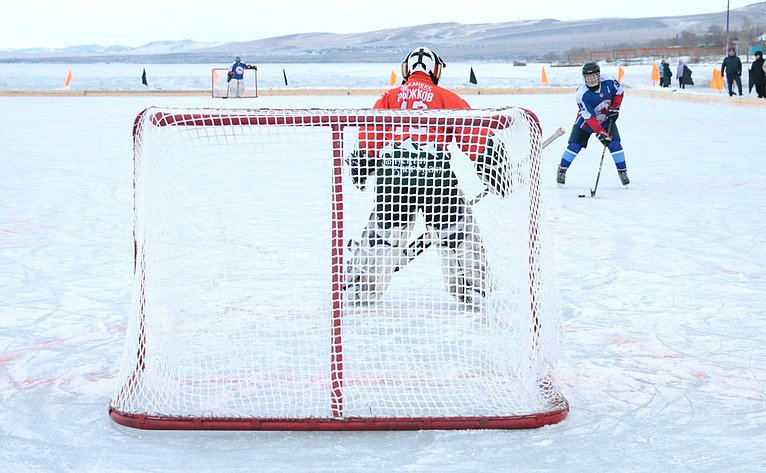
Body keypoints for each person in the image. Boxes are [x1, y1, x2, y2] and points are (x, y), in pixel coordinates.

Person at [343, 46, 510, 306]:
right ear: (436, 70)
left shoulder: (390, 97)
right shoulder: (446, 97)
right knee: (458, 233)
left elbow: (369, 136)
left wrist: (362, 165)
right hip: (436, 180)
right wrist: (493, 165)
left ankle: (358, 286)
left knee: (382, 233)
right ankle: (473, 288)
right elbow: (473, 134)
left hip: (393, 180)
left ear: (407, 69)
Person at [557, 62, 629, 187]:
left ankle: (622, 172)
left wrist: (615, 107)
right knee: (574, 146)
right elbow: (589, 117)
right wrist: (600, 132)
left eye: (593, 77)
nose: (591, 80)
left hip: (606, 118)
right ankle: (562, 169)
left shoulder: (609, 80)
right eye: (588, 78)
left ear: (599, 76)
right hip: (586, 122)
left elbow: (619, 92)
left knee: (615, 145)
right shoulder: (581, 94)